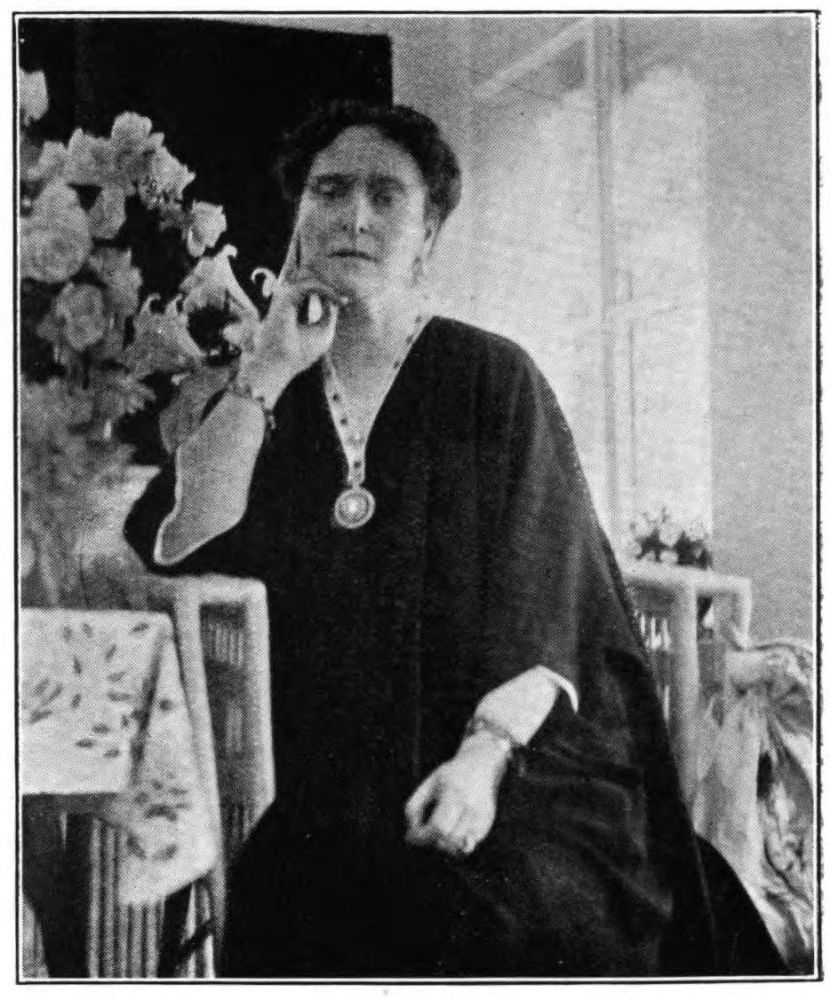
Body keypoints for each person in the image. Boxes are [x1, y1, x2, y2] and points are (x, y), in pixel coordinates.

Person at [125, 101, 717, 978]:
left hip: (521, 761)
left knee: (501, 910)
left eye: (385, 195)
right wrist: (268, 367)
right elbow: (186, 540)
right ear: (297, 217)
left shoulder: (493, 377)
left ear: (428, 232)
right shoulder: (264, 386)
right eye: (329, 191)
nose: (354, 217)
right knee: (303, 908)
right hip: (334, 776)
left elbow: (550, 599)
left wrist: (482, 760)